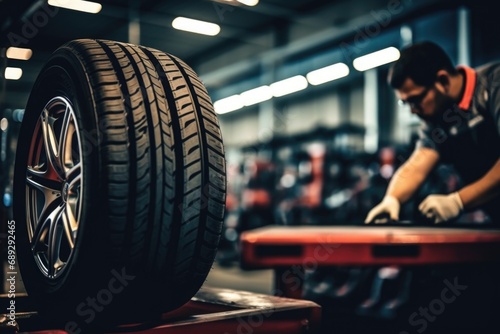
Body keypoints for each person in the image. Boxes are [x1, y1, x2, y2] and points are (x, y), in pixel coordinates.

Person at [365, 41, 500, 224]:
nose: (412, 110)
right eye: (405, 103)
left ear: (443, 80)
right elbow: (418, 163)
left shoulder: (493, 86)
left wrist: (458, 201)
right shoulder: (438, 118)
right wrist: (392, 199)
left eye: (415, 100)